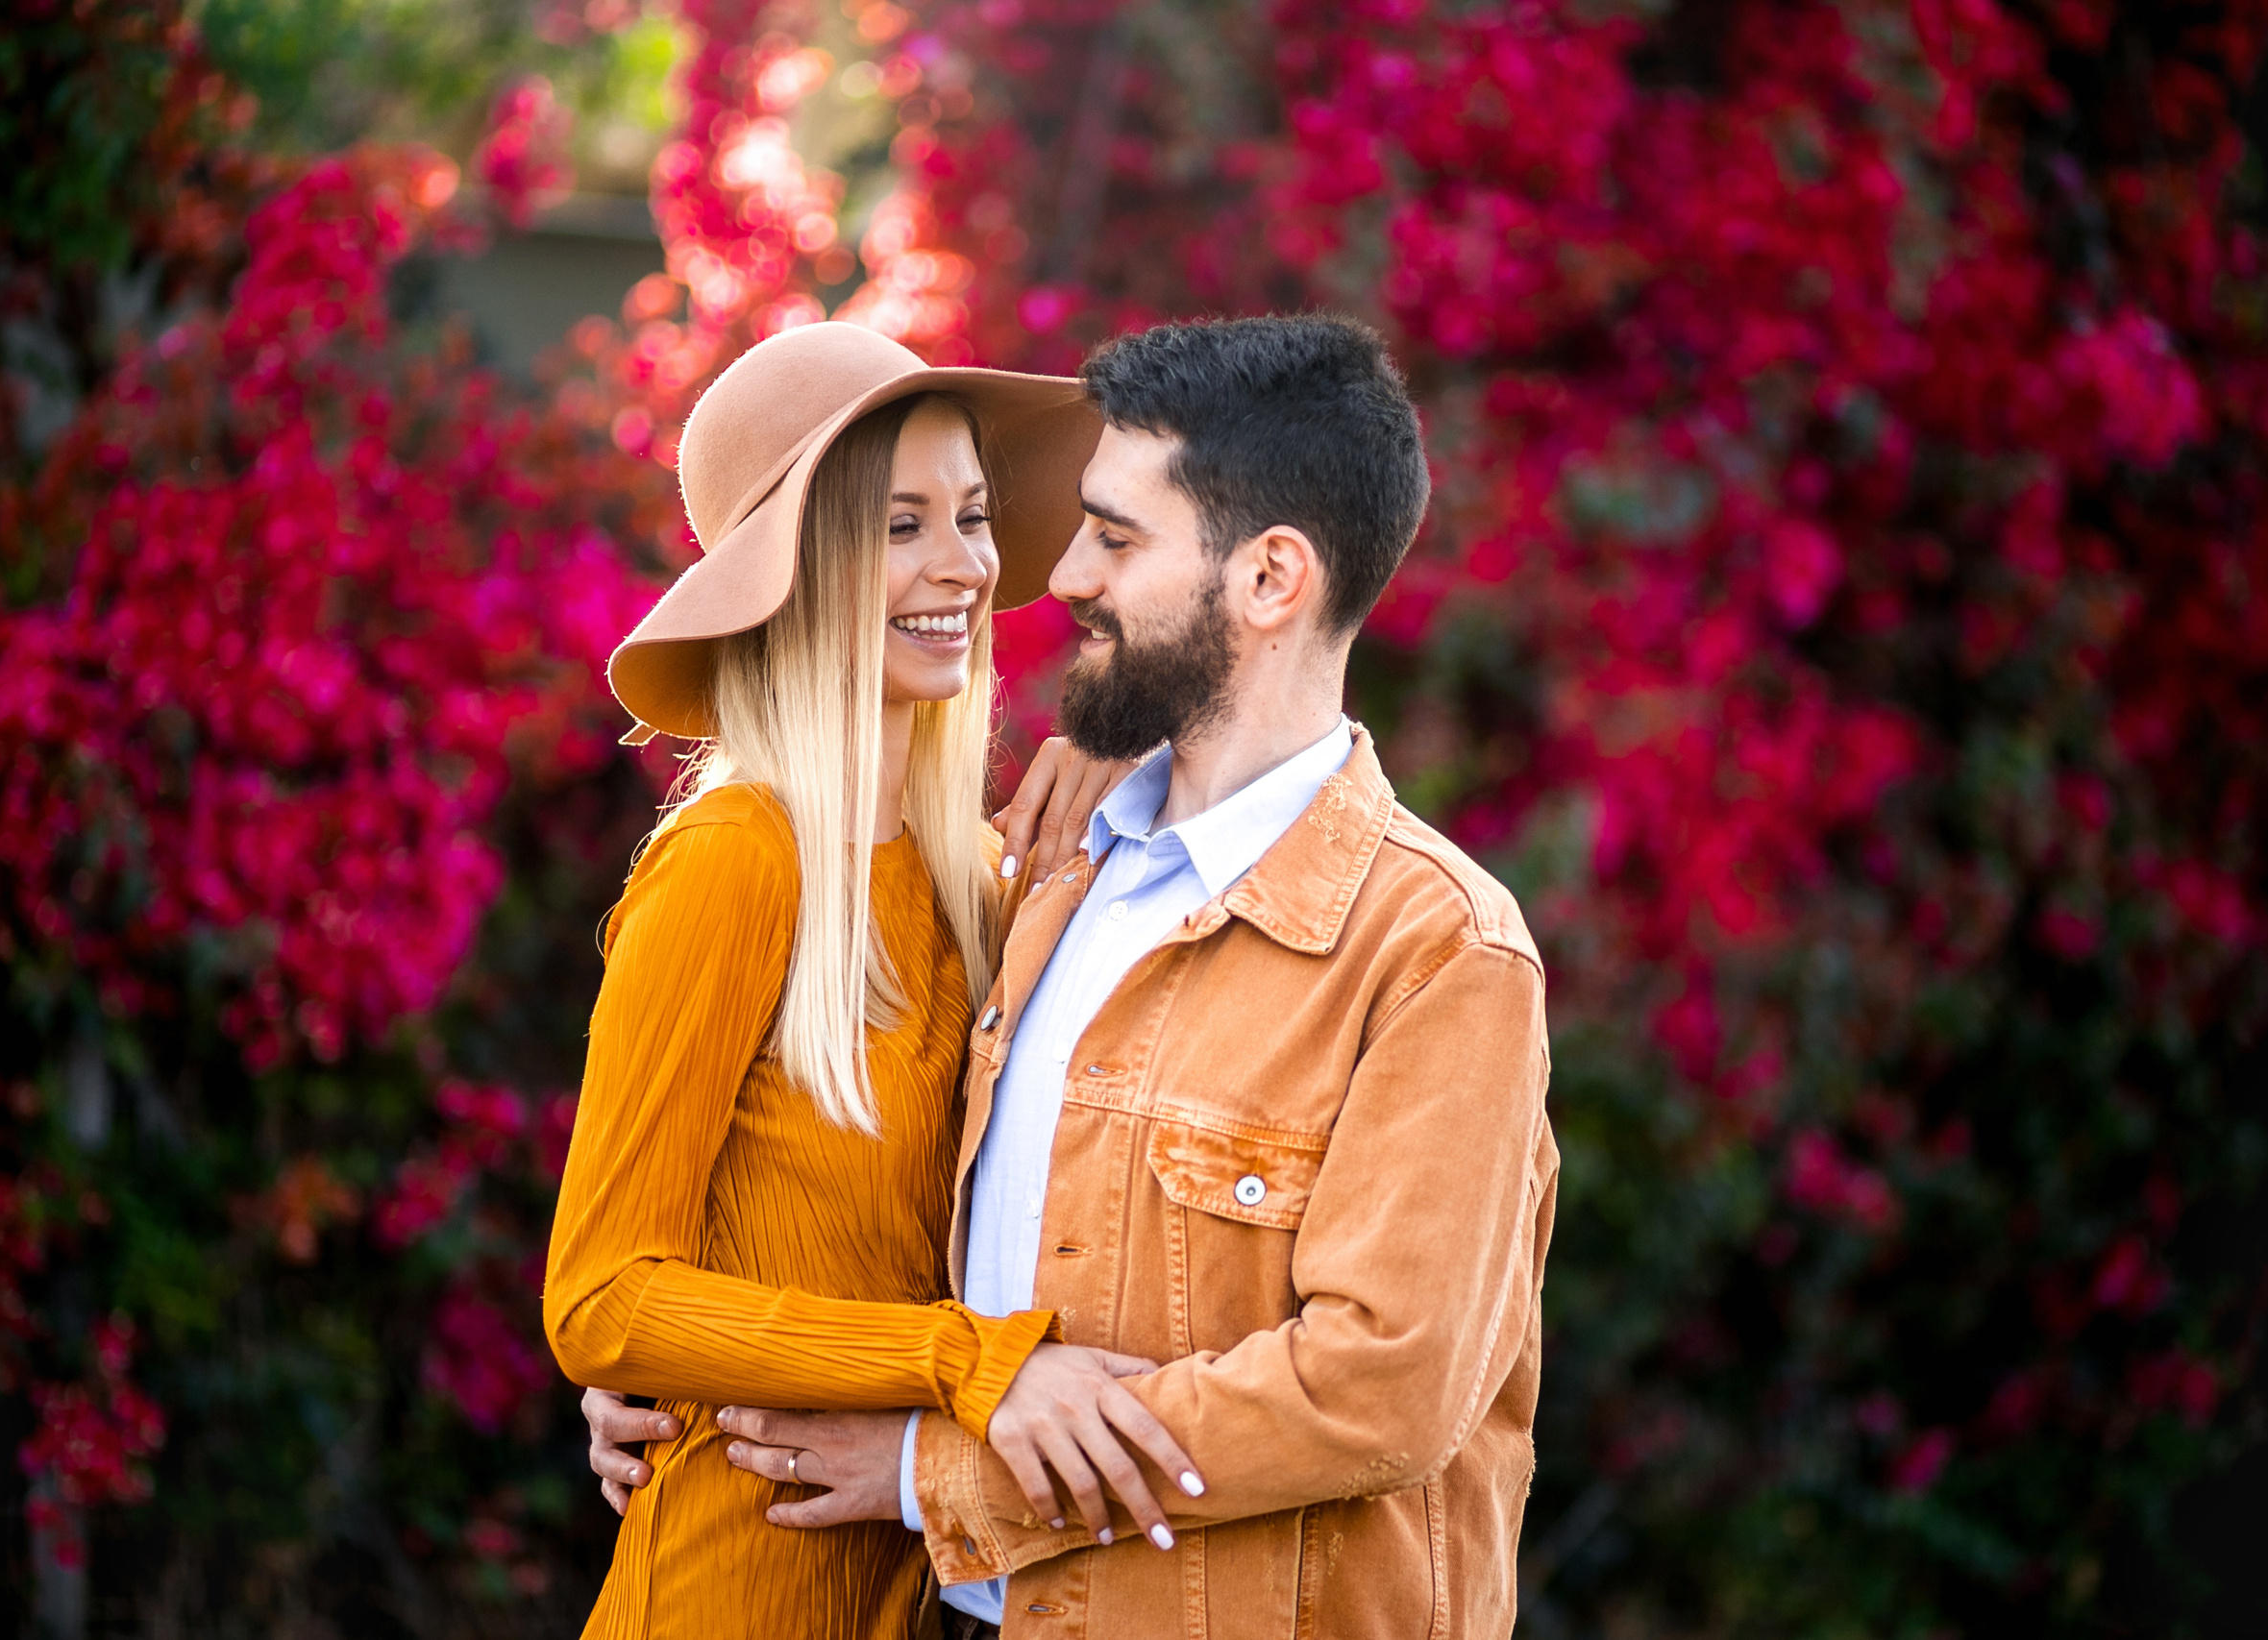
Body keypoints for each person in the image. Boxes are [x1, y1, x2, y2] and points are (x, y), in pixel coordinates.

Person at [586, 313, 1560, 1637]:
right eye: (901, 523)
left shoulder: (1424, 948)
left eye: (1113, 536)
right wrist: (674, 1360)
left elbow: (1380, 1388)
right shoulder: (1037, 881)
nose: (1047, 574)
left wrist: (937, 1472)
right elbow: (687, 1266)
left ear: (1271, 580)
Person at [544, 321, 1205, 1640]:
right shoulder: (734, 861)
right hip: (735, 1590)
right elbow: (604, 1296)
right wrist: (965, 1368)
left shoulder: (977, 878)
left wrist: (1136, 756)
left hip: (920, 1588)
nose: (965, 565)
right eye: (900, 526)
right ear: (793, 570)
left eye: (968, 516)